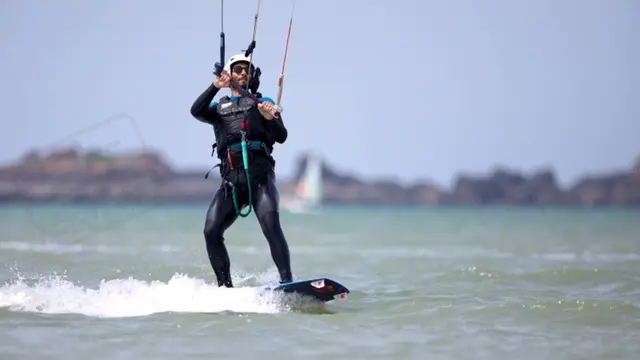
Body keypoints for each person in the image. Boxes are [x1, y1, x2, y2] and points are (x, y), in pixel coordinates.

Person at [189, 52, 293, 288]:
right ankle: (224, 287)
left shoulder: (262, 102)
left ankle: (287, 282)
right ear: (229, 74)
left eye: (247, 69)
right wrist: (216, 85)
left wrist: (271, 118)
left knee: (271, 225)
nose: (243, 72)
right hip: (231, 183)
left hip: (260, 178)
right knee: (211, 230)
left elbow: (282, 137)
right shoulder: (218, 108)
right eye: (238, 69)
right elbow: (196, 110)